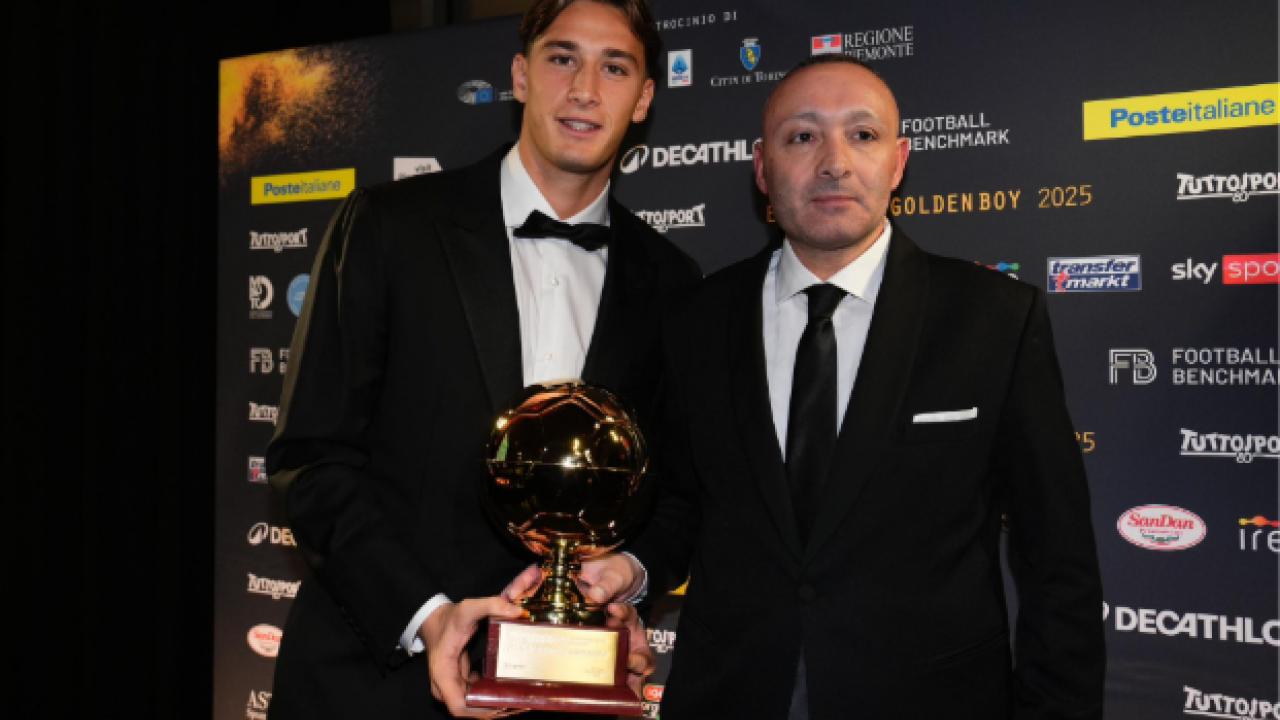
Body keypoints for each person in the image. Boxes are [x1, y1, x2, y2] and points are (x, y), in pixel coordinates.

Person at [585, 56, 1106, 719]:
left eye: (862, 135)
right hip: (730, 694)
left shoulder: (995, 317)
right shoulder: (697, 320)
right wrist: (631, 568)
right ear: (761, 168)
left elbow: (1057, 555)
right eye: (802, 137)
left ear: (898, 162)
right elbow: (684, 504)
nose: (834, 162)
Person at [264, 1, 699, 718]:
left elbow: (679, 489)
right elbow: (311, 458)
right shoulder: (389, 226)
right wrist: (429, 616)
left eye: (615, 67)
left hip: (565, 695)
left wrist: (630, 571)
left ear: (645, 96)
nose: (585, 89)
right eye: (562, 58)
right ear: (521, 76)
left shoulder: (672, 281)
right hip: (371, 683)